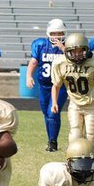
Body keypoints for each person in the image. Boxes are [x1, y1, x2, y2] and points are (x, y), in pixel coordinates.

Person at [51, 32, 94, 145]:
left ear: (86, 50)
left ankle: (91, 159)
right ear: (68, 51)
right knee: (75, 134)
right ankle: (73, 159)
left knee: (91, 136)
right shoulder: (61, 63)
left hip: (92, 104)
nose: (77, 54)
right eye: (74, 51)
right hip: (74, 103)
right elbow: (56, 85)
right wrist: (54, 102)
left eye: (80, 51)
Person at [26, 18, 68, 152]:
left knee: (53, 112)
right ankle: (51, 139)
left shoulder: (68, 46)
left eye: (60, 32)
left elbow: (74, 59)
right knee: (46, 113)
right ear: (49, 33)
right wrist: (28, 76)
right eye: (54, 33)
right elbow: (33, 62)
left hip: (60, 86)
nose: (57, 36)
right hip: (44, 86)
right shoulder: (40, 44)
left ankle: (53, 142)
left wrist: (63, 48)